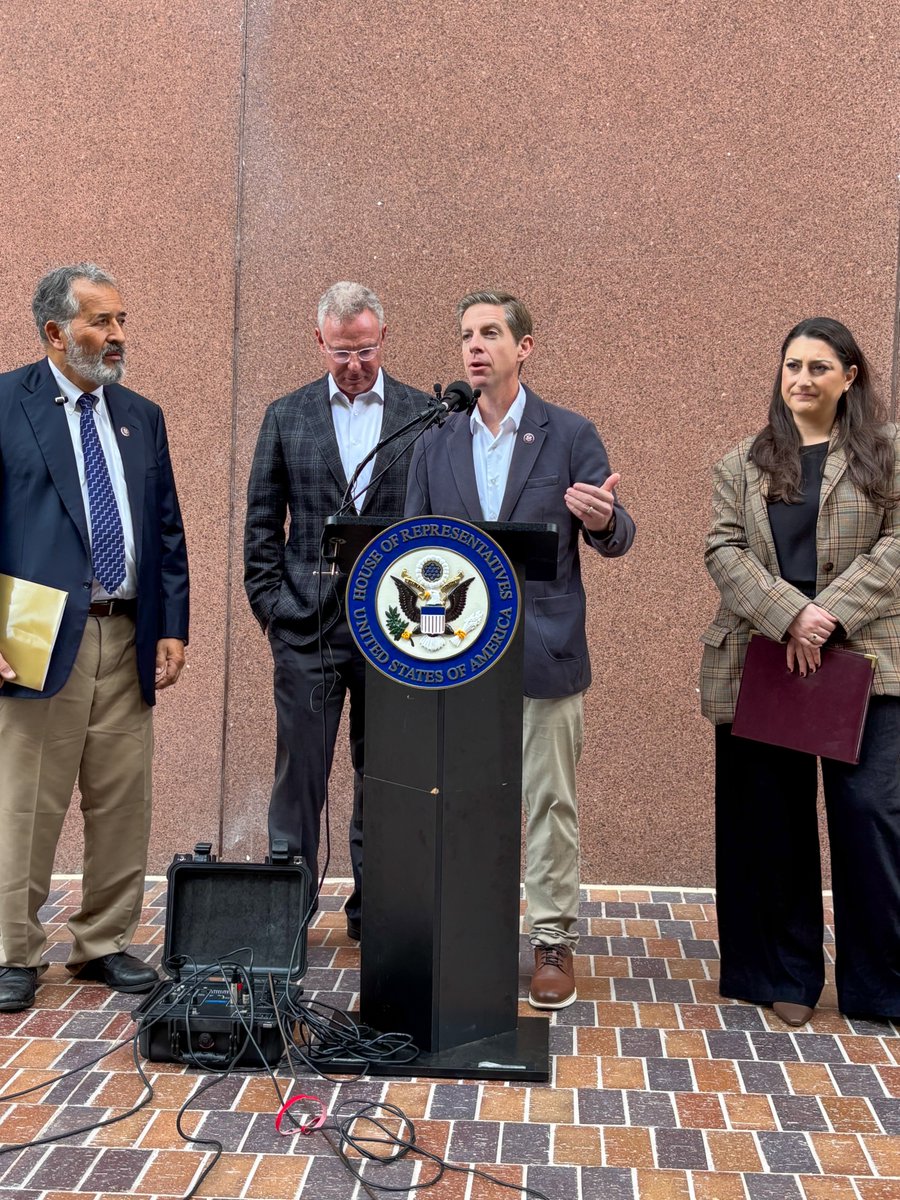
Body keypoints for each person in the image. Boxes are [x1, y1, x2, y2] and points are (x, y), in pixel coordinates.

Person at [405, 290, 635, 1008]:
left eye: (490, 333)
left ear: (523, 347)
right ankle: (473, 934)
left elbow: (618, 535)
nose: (475, 346)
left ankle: (553, 939)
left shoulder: (567, 434)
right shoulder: (435, 439)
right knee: (464, 801)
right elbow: (410, 544)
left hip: (544, 651)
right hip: (458, 655)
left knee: (549, 801)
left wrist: (603, 520)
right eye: (466, 335)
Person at [0, 263, 189, 1013]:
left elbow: (166, 529)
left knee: (121, 798)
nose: (117, 335)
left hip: (127, 632)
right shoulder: (6, 404)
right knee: (27, 801)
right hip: (36, 634)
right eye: (100, 321)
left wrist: (171, 626)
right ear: (55, 332)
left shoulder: (140, 414)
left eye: (120, 321)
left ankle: (102, 941)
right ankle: (13, 950)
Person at [700, 316, 900, 1026]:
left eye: (819, 367)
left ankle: (881, 984)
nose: (802, 379)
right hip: (765, 656)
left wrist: (829, 615)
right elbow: (724, 550)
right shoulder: (743, 462)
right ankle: (781, 973)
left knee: (871, 816)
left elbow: (897, 544)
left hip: (867, 658)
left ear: (850, 377)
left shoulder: (887, 452)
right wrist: (790, 615)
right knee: (769, 821)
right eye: (793, 365)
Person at [244, 282, 429, 941]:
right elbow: (262, 525)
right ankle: (287, 915)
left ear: (385, 338)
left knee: (385, 775)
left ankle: (375, 910)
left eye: (367, 350)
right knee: (299, 777)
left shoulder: (423, 414)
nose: (355, 364)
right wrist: (274, 610)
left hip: (393, 628)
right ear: (318, 341)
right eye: (342, 351)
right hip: (306, 627)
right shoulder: (285, 416)